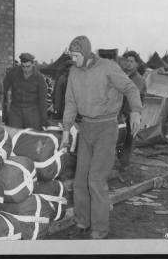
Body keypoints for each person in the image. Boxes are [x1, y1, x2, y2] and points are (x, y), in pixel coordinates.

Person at [59, 36, 142, 239]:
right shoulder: (73, 72)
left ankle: (100, 228)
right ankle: (82, 220)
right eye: (71, 55)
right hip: (86, 127)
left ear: (87, 54)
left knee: (96, 180)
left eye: (76, 55)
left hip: (106, 128)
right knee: (80, 180)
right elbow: (70, 102)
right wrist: (65, 131)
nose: (73, 59)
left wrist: (136, 111)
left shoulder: (108, 67)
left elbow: (130, 88)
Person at [3, 52, 48, 130]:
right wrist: (3, 112)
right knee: (12, 135)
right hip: (15, 111)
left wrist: (44, 119)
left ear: (33, 64)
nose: (26, 69)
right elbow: (3, 90)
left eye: (28, 66)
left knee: (33, 136)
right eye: (23, 67)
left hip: (32, 111)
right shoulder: (13, 73)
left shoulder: (39, 78)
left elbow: (43, 100)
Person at [118, 50, 147, 168]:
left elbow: (133, 98)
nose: (128, 64)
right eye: (127, 61)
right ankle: (121, 164)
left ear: (137, 64)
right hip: (122, 115)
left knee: (128, 141)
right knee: (121, 140)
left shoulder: (138, 80)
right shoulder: (125, 77)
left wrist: (124, 114)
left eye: (131, 61)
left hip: (131, 115)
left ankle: (124, 166)